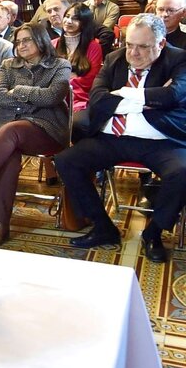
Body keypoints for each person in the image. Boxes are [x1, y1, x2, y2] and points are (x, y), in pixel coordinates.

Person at [55, 14, 186, 262]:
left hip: (161, 140)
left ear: (161, 44)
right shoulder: (115, 59)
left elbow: (174, 95)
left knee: (182, 172)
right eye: (130, 45)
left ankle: (153, 233)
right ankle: (102, 226)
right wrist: (147, 100)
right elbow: (97, 100)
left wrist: (123, 95)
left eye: (143, 47)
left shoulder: (179, 59)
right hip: (113, 137)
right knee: (66, 160)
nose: (134, 53)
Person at [0, 24, 71, 246]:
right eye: (18, 41)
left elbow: (53, 97)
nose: (21, 45)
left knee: (10, 132)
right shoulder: (9, 65)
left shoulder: (60, 65)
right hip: (8, 130)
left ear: (41, 40)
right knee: (9, 153)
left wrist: (19, 92)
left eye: (27, 40)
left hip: (45, 128)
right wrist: (32, 98)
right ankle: (1, 225)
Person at [54, 2, 103, 112]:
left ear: (84, 23)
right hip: (53, 96)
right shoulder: (53, 44)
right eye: (67, 16)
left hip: (80, 96)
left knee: (78, 122)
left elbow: (91, 79)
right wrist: (69, 76)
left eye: (75, 19)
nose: (69, 21)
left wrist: (63, 80)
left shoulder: (93, 47)